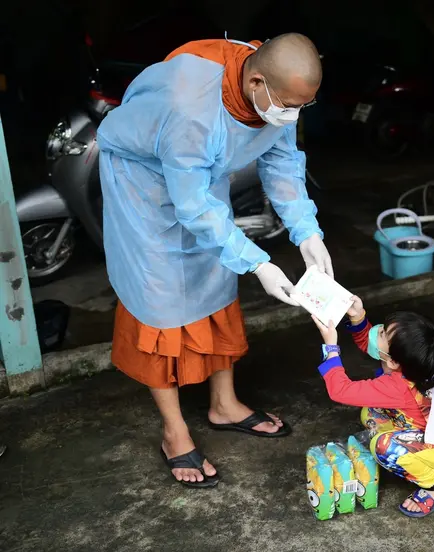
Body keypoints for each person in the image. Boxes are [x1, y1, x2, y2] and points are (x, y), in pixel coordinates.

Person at [97, 33, 333, 488]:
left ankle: (224, 405)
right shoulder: (190, 108)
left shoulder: (274, 94)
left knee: (216, 274)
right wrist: (259, 263)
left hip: (198, 170)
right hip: (141, 182)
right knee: (161, 297)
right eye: (289, 106)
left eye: (303, 106)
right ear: (256, 82)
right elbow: (194, 208)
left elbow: (282, 162)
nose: (292, 115)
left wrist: (306, 232)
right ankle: (174, 431)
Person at [311, 296, 434, 518]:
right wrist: (358, 316)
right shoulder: (414, 363)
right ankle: (405, 444)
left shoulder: (396, 386)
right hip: (431, 427)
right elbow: (372, 346)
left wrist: (331, 348)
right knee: (370, 411)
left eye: (382, 333)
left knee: (383, 448)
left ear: (393, 361)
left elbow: (340, 390)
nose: (376, 330)